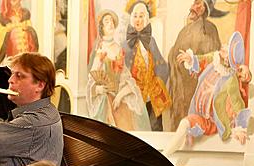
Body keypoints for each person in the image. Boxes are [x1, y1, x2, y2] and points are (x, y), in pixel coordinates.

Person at [165, 31, 251, 156]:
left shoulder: (231, 80)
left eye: (227, 48)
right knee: (184, 124)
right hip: (197, 112)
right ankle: (163, 156)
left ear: (228, 58)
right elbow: (203, 59)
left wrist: (239, 128)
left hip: (211, 122)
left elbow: (237, 103)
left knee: (185, 125)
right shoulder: (215, 60)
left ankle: (162, 158)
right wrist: (191, 59)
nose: (224, 46)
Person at [86, 10, 150, 130]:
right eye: (106, 22)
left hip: (118, 94)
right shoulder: (100, 50)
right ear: (102, 28)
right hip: (105, 98)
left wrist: (121, 94)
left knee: (130, 112)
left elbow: (125, 77)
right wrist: (99, 89)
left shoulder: (118, 48)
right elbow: (91, 81)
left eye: (111, 21)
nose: (110, 24)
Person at [167, 0, 224, 130]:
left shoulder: (209, 29)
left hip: (197, 85)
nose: (193, 7)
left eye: (198, 4)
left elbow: (213, 58)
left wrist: (193, 62)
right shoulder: (185, 30)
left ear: (205, 8)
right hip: (179, 86)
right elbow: (174, 53)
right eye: (194, 3)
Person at [122, 0, 170, 132]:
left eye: (141, 16)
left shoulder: (151, 41)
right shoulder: (125, 45)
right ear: (131, 18)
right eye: (135, 16)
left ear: (146, 19)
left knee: (155, 128)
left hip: (152, 94)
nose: (138, 19)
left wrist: (158, 82)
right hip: (134, 95)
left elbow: (162, 65)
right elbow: (122, 73)